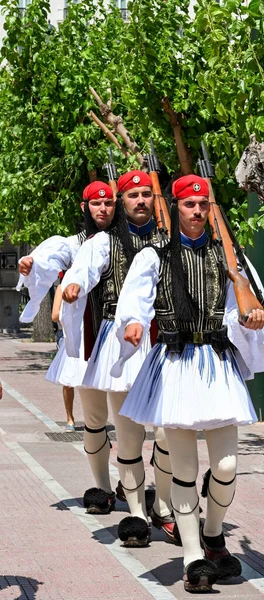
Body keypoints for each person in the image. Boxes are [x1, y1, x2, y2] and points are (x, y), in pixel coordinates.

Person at [113, 174, 264, 592]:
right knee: (185, 470)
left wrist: (253, 318)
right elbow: (133, 301)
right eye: (189, 205)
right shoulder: (153, 256)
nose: (196, 211)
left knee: (226, 467)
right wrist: (133, 325)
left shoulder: (226, 260)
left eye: (203, 204)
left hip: (216, 365)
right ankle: (193, 558)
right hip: (173, 365)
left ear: (210, 208)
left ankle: (213, 533)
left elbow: (240, 312)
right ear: (175, 207)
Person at [61, 171, 177, 547]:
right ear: (122, 201)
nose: (141, 200)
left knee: (167, 433)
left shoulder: (169, 240)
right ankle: (137, 515)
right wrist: (74, 286)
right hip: (120, 339)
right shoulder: (103, 242)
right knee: (128, 435)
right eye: (133, 195)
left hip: (163, 338)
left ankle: (163, 505)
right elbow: (83, 269)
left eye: (147, 194)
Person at [17, 182, 127, 514]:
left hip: (125, 341)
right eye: (97, 203)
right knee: (95, 418)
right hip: (89, 339)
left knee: (128, 422)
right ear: (85, 208)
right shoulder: (74, 244)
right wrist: (31, 264)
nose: (103, 209)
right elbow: (50, 257)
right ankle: (103, 488)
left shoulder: (131, 242)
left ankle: (132, 484)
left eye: (109, 203)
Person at [49, 282, 76, 431]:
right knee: (68, 380)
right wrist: (71, 312)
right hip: (67, 336)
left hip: (85, 335)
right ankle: (70, 418)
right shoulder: (61, 288)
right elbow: (54, 315)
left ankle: (95, 418)